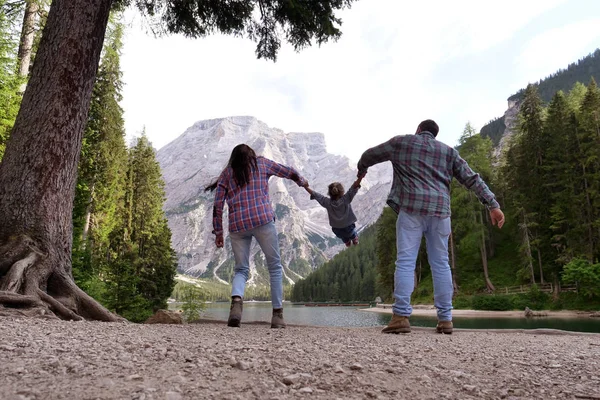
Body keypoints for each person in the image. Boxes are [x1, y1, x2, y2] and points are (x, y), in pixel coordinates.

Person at [357, 119, 505, 334]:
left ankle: (400, 317)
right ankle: (445, 320)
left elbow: (369, 155)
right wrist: (492, 204)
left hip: (411, 210)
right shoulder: (449, 152)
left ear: (418, 130)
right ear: (435, 134)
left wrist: (362, 171)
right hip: (440, 212)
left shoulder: (401, 142)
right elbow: (472, 179)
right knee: (441, 264)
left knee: (406, 262)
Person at [206, 144, 308, 328]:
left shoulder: (227, 173)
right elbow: (288, 171)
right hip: (262, 220)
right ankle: (277, 316)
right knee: (275, 268)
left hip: (238, 226)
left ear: (233, 159)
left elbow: (217, 205)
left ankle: (236, 307)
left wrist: (218, 232)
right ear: (252, 155)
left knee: (241, 270)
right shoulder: (261, 164)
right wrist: (302, 181)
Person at [304, 177, 362, 247]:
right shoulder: (346, 199)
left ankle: (346, 242)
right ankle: (354, 239)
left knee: (343, 235)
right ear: (342, 192)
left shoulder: (327, 202)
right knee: (352, 232)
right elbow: (354, 187)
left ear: (330, 193)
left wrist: (306, 187)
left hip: (337, 230)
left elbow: (316, 195)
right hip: (349, 228)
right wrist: (360, 177)